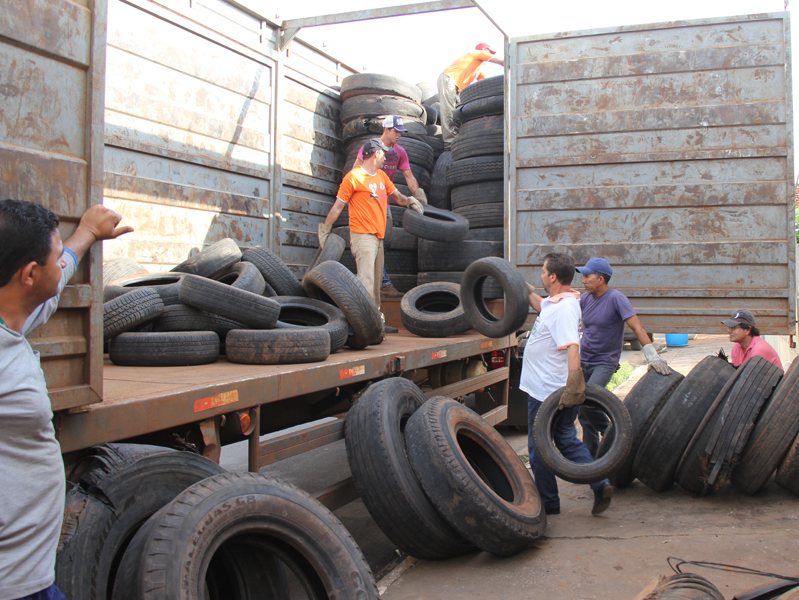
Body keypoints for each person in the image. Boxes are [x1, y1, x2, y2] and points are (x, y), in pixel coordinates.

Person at [0, 199, 132, 600]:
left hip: (30, 573)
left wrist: (87, 234)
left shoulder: (16, 315)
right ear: (29, 275)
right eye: (56, 258)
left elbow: (51, 292)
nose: (63, 263)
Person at [520, 252, 613, 516]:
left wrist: (574, 385)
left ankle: (549, 504)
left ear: (552, 276)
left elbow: (573, 346)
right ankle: (600, 483)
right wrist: (526, 291)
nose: (540, 276)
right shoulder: (557, 302)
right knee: (565, 440)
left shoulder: (565, 310)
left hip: (547, 392)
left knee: (539, 448)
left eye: (542, 272)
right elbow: (543, 307)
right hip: (550, 388)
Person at [575, 257, 672, 457]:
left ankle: (615, 435)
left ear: (601, 279)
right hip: (583, 360)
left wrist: (652, 356)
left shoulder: (616, 299)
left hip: (604, 362)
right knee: (583, 412)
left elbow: (636, 327)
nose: (583, 281)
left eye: (587, 276)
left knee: (590, 401)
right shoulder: (585, 299)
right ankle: (590, 458)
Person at [318, 138, 423, 316]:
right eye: (384, 154)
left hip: (378, 237)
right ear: (376, 154)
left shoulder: (382, 177)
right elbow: (338, 206)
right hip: (363, 236)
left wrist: (410, 201)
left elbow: (397, 196)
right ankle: (363, 322)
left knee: (375, 286)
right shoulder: (353, 177)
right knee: (366, 282)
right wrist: (325, 228)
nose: (386, 159)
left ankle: (375, 322)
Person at [351, 116, 428, 304]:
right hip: (368, 203)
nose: (399, 134)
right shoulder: (369, 147)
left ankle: (377, 277)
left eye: (401, 131)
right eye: (396, 131)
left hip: (385, 202)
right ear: (386, 129)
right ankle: (382, 284)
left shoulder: (400, 152)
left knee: (386, 241)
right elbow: (355, 171)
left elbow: (408, 176)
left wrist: (418, 195)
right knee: (373, 241)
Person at [437, 43, 504, 145]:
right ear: (484, 49)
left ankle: (458, 136)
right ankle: (449, 141)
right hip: (448, 79)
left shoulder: (477, 68)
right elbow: (499, 61)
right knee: (448, 110)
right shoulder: (477, 53)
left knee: (458, 112)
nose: (490, 54)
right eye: (490, 52)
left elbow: (486, 82)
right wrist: (509, 63)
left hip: (457, 88)